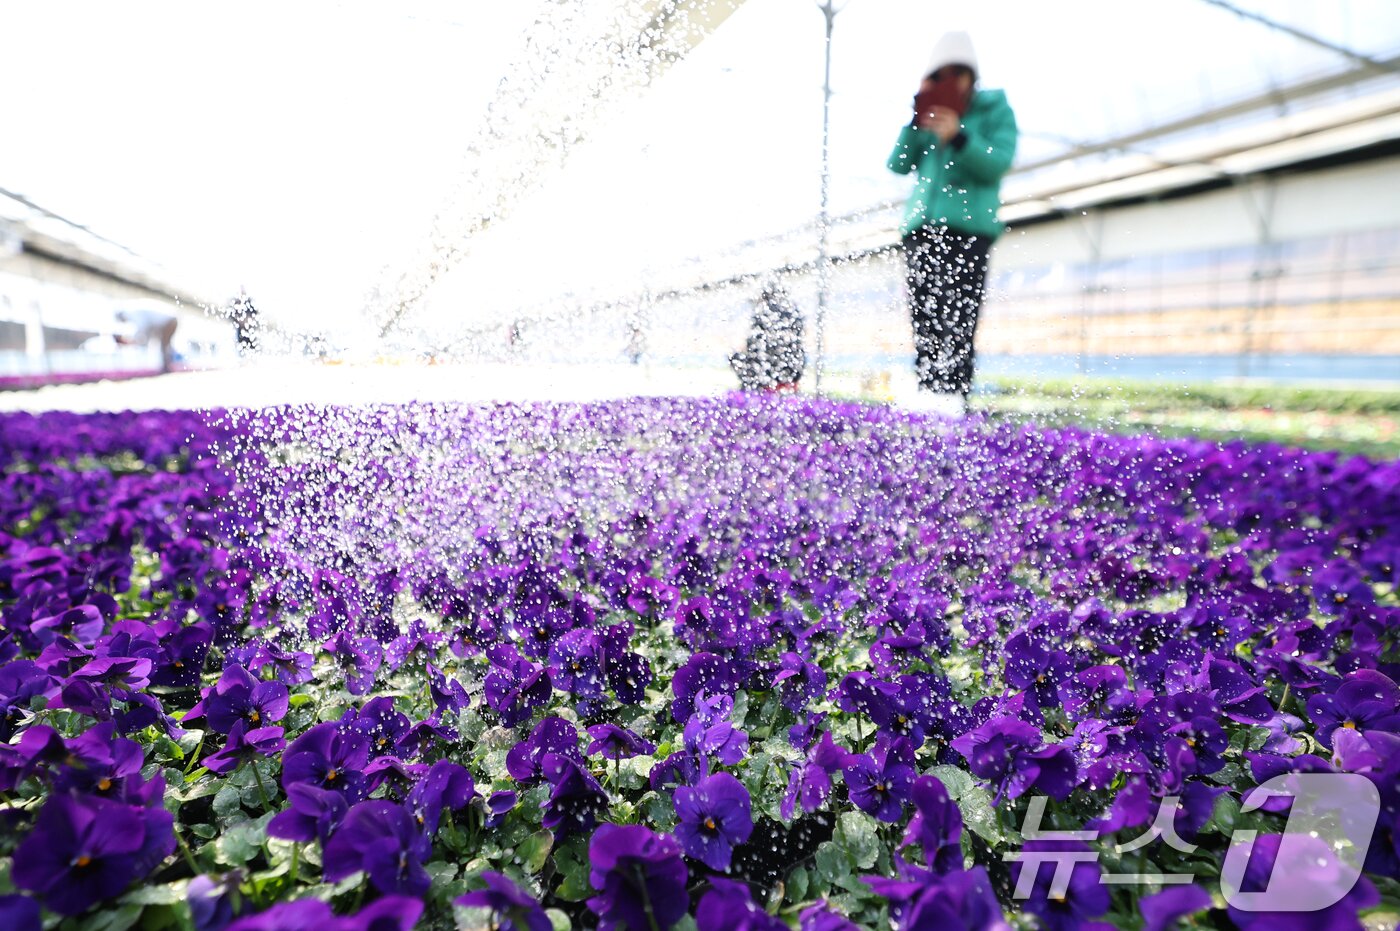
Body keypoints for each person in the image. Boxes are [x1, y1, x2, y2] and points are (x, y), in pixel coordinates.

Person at [887, 30, 1017, 413]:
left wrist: (959, 137)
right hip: (922, 227)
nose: (951, 82)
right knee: (925, 310)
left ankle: (953, 396)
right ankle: (928, 390)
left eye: (957, 73)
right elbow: (897, 164)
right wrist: (915, 121)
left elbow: (998, 162)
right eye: (940, 75)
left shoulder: (994, 109)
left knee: (958, 313)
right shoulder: (925, 119)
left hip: (968, 228)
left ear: (972, 76)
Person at [729, 285, 806, 391]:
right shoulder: (793, 311)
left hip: (767, 374)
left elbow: (752, 342)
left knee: (736, 357)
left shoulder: (763, 312)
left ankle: (751, 395)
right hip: (792, 372)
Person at [114, 304, 179, 374]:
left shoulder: (131, 314)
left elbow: (142, 330)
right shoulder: (136, 312)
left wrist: (133, 341)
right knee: (165, 346)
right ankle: (168, 366)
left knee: (164, 347)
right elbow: (145, 337)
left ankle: (168, 367)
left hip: (169, 321)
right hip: (170, 320)